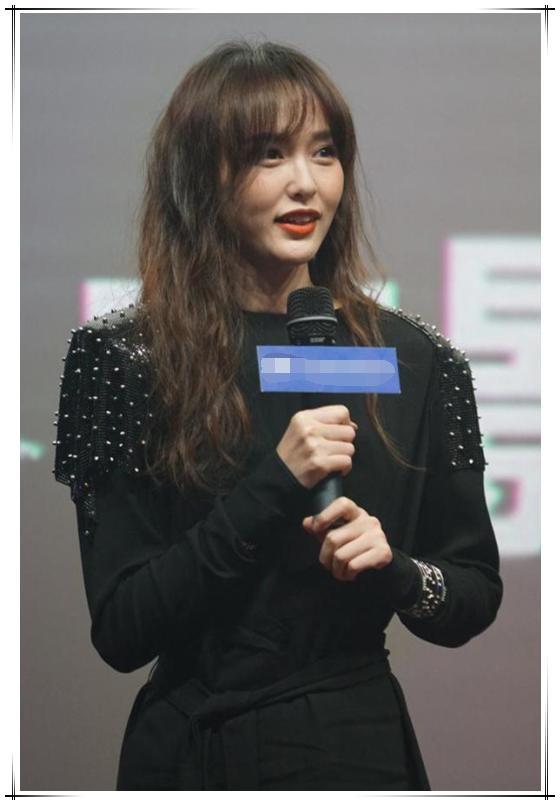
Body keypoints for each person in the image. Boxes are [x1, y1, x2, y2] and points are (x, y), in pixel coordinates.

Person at [53, 39, 503, 791]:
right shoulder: (126, 357)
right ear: (202, 175)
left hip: (353, 746)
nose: (306, 183)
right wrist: (274, 484)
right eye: (269, 154)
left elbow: (471, 592)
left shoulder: (415, 357)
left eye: (324, 153)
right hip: (195, 752)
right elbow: (123, 630)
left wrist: (394, 568)